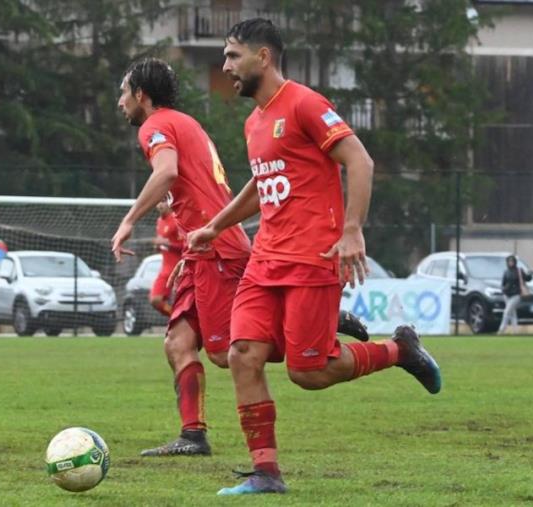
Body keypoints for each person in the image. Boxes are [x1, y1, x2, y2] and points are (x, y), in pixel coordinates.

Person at [186, 19, 442, 495]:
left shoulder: (305, 104)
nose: (226, 66)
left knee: (309, 372)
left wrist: (351, 231)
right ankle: (266, 472)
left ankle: (398, 350)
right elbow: (261, 184)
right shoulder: (254, 121)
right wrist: (216, 226)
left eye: (233, 56)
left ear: (263, 57)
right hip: (265, 259)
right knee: (241, 354)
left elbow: (359, 160)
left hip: (312, 256)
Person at [111, 57, 369, 458]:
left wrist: (128, 220)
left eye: (124, 93)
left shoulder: (155, 125)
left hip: (219, 250)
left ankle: (317, 321)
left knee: (225, 352)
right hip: (205, 247)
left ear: (141, 95)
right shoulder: (185, 122)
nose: (120, 101)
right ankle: (192, 435)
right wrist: (190, 245)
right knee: (179, 342)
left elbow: (166, 172)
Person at [150, 201, 183, 316]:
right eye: (158, 202)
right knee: (155, 300)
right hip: (165, 270)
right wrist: (158, 246)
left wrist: (167, 243)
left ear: (169, 202)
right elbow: (163, 247)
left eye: (163, 201)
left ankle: (182, 323)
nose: (159, 205)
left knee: (182, 303)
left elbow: (186, 247)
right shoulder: (159, 221)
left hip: (179, 270)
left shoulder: (177, 220)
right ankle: (176, 317)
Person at [498, 255, 531, 335]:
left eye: (512, 261)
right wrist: (503, 289)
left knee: (506, 311)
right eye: (509, 261)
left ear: (515, 262)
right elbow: (503, 283)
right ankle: (515, 331)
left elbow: (527, 278)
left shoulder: (519, 271)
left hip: (516, 294)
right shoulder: (506, 272)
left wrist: (530, 274)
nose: (510, 263)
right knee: (512, 314)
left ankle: (502, 329)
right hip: (506, 295)